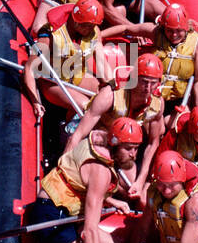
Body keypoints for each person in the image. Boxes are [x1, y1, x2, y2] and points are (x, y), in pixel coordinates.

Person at [27, 117, 143, 243]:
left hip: (65, 209)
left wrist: (111, 201)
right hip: (52, 215)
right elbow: (89, 231)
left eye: (136, 148)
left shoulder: (98, 139)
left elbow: (80, 184)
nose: (133, 154)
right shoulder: (101, 171)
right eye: (128, 148)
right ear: (114, 143)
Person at [66, 51, 165, 195]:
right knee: (94, 179)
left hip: (122, 146)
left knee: (128, 188)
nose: (148, 88)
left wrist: (141, 180)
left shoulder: (158, 103)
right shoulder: (111, 94)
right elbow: (79, 134)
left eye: (153, 83)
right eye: (144, 81)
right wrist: (65, 167)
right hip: (96, 139)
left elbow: (153, 142)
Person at [22, 0, 109, 119]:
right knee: (87, 107)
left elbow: (102, 63)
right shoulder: (49, 35)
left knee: (105, 100)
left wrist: (112, 86)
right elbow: (29, 69)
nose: (91, 30)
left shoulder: (94, 31)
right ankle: (67, 131)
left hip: (78, 77)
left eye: (93, 26)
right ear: (76, 22)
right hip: (53, 82)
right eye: (88, 26)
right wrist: (36, 101)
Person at [151, 3, 198, 114]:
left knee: (180, 125)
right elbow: (127, 29)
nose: (174, 35)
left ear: (186, 28)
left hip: (178, 101)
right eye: (170, 30)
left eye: (178, 30)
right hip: (153, 97)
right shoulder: (155, 32)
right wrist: (135, 41)